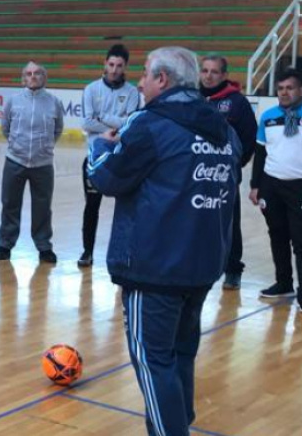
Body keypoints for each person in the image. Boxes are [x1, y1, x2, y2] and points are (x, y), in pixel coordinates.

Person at [88, 46, 240, 436]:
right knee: (180, 354)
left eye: (144, 74)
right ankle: (176, 423)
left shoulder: (149, 124)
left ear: (162, 79)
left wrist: (100, 146)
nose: (139, 82)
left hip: (154, 267)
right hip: (202, 264)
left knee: (152, 359)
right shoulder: (225, 129)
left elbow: (107, 177)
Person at [0, 62, 65, 264]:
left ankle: (44, 246)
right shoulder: (13, 101)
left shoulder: (54, 102)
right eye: (29, 73)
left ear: (44, 77)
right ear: (23, 78)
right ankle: (5, 244)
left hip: (43, 164)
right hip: (15, 161)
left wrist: (44, 148)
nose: (33, 76)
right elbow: (5, 128)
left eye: (37, 73)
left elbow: (57, 130)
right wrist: (17, 146)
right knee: (10, 203)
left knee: (43, 206)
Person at [78, 45, 140, 268]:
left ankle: (124, 255)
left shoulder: (133, 93)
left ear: (125, 67)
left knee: (126, 208)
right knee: (91, 207)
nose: (114, 70)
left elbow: (130, 124)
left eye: (119, 66)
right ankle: (87, 252)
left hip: (121, 159)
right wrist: (116, 123)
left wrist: (102, 116)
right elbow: (86, 123)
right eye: (111, 64)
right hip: (95, 160)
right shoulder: (91, 89)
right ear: (105, 63)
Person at [199, 55, 257, 290]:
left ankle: (233, 270)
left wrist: (234, 164)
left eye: (214, 72)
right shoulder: (192, 98)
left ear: (224, 75)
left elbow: (249, 138)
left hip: (225, 175)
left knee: (229, 222)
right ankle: (195, 264)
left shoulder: (237, 102)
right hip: (194, 174)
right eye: (205, 71)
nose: (208, 76)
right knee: (193, 219)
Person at [251, 67, 302, 307]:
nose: (284, 92)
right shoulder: (268, 116)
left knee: (300, 240)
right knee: (277, 235)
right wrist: (255, 185)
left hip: (299, 186)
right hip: (272, 185)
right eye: (280, 88)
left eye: (289, 88)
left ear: (300, 90)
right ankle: (284, 283)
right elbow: (260, 152)